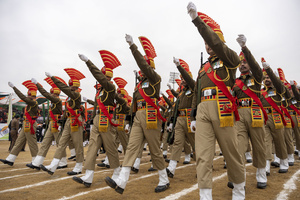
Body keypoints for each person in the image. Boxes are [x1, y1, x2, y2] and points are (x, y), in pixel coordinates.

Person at [187, 2, 246, 199]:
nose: (208, 45)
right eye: (206, 42)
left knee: (231, 153)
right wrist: (194, 114)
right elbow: (197, 91)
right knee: (203, 156)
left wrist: (197, 21)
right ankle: (205, 196)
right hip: (204, 109)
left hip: (223, 108)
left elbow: (217, 43)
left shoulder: (229, 58)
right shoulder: (203, 68)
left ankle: (238, 189)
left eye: (210, 41)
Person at [105, 34, 169, 194]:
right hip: (139, 116)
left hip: (151, 115)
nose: (141, 70)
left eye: (144, 67)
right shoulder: (139, 86)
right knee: (132, 147)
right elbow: (133, 104)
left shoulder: (155, 78)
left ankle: (164, 179)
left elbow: (145, 65)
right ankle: (121, 181)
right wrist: (128, 121)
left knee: (155, 149)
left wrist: (133, 46)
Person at [72, 50, 121, 187]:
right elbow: (96, 108)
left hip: (106, 120)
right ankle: (88, 177)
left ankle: (117, 172)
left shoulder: (110, 87)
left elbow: (99, 77)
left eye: (102, 76)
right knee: (92, 148)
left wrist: (88, 62)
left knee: (110, 148)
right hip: (98, 120)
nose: (99, 79)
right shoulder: (99, 92)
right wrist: (92, 122)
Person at [232, 34, 267, 189]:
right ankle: (239, 179)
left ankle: (261, 175)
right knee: (238, 146)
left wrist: (244, 49)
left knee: (258, 146)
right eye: (241, 63)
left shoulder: (257, 77)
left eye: (245, 62)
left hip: (255, 113)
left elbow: (255, 64)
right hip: (240, 115)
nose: (243, 65)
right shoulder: (236, 82)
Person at [40, 68, 85, 175]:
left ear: (75, 86)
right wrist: (61, 122)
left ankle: (78, 166)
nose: (69, 87)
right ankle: (53, 165)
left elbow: (64, 88)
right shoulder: (70, 96)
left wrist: (53, 78)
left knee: (78, 144)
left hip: (75, 120)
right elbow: (65, 112)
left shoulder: (76, 94)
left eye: (71, 85)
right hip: (68, 120)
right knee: (61, 143)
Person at [26, 76, 67, 170]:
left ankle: (63, 162)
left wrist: (37, 85)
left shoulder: (57, 100)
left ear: (55, 94)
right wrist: (46, 123)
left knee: (59, 143)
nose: (50, 94)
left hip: (56, 124)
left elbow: (46, 95)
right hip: (51, 124)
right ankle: (37, 163)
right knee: (45, 143)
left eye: (52, 93)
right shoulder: (54, 101)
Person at [166, 57, 195, 178]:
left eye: (184, 79)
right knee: (177, 143)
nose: (182, 81)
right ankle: (171, 168)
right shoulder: (182, 93)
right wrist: (172, 121)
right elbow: (176, 105)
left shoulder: (194, 89)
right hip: (180, 119)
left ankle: (204, 166)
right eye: (181, 79)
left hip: (190, 119)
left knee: (196, 145)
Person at [0, 80, 39, 166]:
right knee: (18, 142)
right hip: (26, 124)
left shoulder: (33, 102)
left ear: (31, 96)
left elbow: (22, 97)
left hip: (30, 124)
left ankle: (36, 162)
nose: (27, 96)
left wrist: (14, 87)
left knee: (32, 143)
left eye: (28, 95)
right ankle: (10, 159)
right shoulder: (31, 103)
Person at [261, 59, 289, 174]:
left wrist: (270, 71)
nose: (267, 80)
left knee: (279, 141)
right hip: (265, 118)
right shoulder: (261, 91)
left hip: (276, 117)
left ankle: (283, 162)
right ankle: (267, 164)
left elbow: (280, 85)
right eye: (265, 78)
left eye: (269, 78)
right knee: (265, 141)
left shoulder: (278, 90)